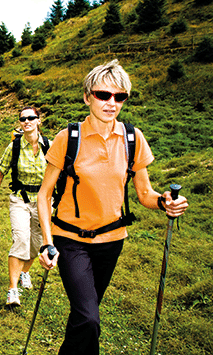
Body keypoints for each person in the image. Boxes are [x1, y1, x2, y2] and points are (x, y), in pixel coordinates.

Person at [37, 60, 188, 354]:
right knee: (89, 319)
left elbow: (145, 193)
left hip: (111, 241)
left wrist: (164, 201)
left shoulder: (132, 138)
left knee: (84, 314)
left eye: (120, 97)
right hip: (70, 240)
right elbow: (44, 195)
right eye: (103, 95)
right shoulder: (68, 138)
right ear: (87, 96)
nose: (111, 103)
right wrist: (46, 243)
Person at [0, 106, 48, 307]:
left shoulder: (51, 146)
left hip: (44, 201)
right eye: (22, 119)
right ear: (19, 123)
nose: (26, 121)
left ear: (39, 120)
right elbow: (0, 172)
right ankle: (12, 290)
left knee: (37, 245)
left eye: (31, 118)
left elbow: (60, 172)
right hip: (20, 199)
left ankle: (25, 273)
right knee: (21, 239)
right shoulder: (15, 147)